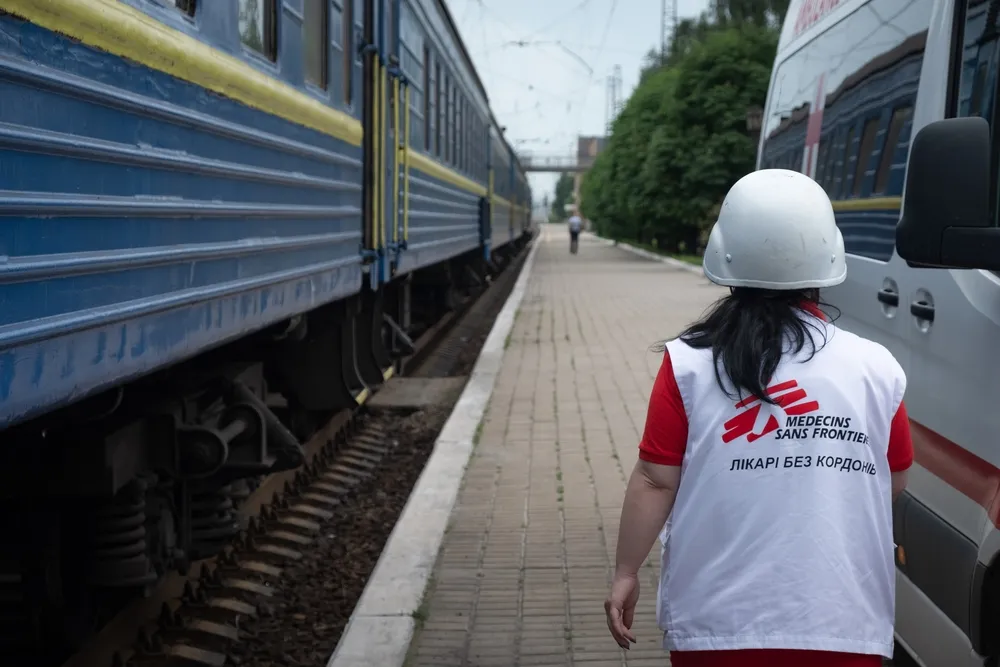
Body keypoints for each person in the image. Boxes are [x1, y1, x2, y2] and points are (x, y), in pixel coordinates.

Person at [604, 169, 912, 667]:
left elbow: (656, 481)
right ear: (827, 259)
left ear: (724, 256)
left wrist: (625, 571)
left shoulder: (689, 363)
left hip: (716, 630)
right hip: (841, 625)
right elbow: (891, 477)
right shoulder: (876, 368)